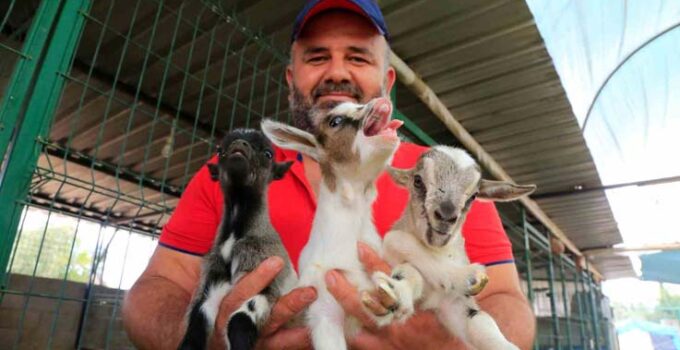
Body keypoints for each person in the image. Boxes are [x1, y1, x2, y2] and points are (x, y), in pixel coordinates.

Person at [122, 0, 536, 349]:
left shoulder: (442, 179)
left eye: (358, 57)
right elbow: (151, 295)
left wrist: (444, 337)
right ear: (291, 78)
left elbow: (510, 307)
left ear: (386, 81)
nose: (337, 73)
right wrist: (202, 334)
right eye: (317, 57)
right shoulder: (235, 170)